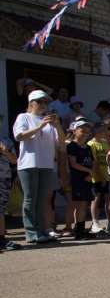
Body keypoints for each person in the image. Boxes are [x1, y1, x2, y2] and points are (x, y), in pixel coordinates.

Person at [13, 90, 65, 244]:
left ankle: (42, 230)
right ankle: (31, 233)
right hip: (28, 163)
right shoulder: (24, 117)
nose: (43, 105)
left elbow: (61, 141)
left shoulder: (49, 121)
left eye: (45, 102)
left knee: (42, 200)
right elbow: (20, 136)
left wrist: (57, 126)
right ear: (31, 103)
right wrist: (40, 125)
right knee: (30, 199)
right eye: (39, 101)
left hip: (47, 164)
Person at [67, 120, 98, 241]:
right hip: (77, 178)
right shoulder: (72, 146)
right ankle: (78, 229)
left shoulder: (88, 147)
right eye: (82, 131)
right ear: (74, 131)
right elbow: (73, 163)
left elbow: (93, 163)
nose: (85, 134)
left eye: (87, 132)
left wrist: (91, 173)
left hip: (87, 179)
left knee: (85, 203)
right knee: (79, 204)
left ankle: (82, 227)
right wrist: (89, 171)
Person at [0, 113, 21, 251]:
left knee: (0, 210)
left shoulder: (6, 141)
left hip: (3, 178)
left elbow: (14, 160)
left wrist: (5, 152)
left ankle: (1, 238)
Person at [87, 123, 110, 234]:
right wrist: (101, 176)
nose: (106, 132)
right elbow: (95, 162)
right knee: (96, 199)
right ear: (97, 132)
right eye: (104, 131)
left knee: (108, 199)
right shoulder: (90, 144)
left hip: (107, 175)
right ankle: (95, 222)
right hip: (96, 177)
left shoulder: (106, 143)